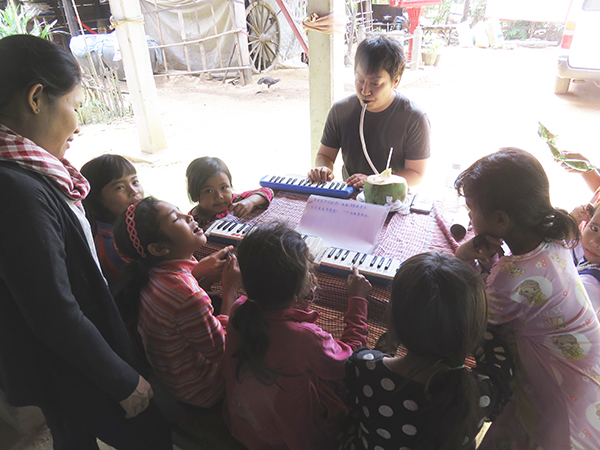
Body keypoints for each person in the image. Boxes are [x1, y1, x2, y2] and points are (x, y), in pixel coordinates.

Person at [0, 35, 172, 449]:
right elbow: (53, 309)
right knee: (146, 431)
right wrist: (122, 379)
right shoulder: (17, 190)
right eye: (75, 106)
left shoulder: (27, 172)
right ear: (37, 98)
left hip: (57, 358)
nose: (77, 123)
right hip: (69, 363)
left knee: (70, 434)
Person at [455, 148, 600, 449]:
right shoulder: (556, 235)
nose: (468, 215)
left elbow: (473, 315)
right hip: (585, 367)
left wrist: (460, 259)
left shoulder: (511, 277)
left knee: (539, 434)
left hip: (557, 389)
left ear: (500, 219)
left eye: (471, 209)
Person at [340, 252, 514, 450]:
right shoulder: (484, 391)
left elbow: (374, 357)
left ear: (394, 318)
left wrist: (397, 331)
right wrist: (461, 322)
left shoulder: (365, 366)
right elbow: (497, 356)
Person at [223, 223, 372, 450]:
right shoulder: (305, 338)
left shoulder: (239, 309)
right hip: (286, 442)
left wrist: (299, 294)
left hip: (244, 428)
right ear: (298, 284)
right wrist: (358, 301)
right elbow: (351, 361)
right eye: (308, 267)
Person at [113, 197, 242, 408]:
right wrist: (230, 291)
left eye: (180, 211)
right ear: (159, 248)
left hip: (174, 377)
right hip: (202, 388)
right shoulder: (188, 295)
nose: (188, 216)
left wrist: (196, 271)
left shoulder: (152, 272)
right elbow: (221, 350)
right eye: (176, 219)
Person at [308, 34, 430, 189]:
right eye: (359, 80)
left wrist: (376, 181)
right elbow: (325, 155)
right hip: (351, 195)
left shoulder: (414, 118)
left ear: (396, 81)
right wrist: (323, 169)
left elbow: (416, 173)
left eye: (375, 83)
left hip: (391, 198)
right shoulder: (341, 110)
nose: (364, 91)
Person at [81, 154, 144, 294]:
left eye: (135, 182)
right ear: (98, 199)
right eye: (120, 187)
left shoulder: (132, 224)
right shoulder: (111, 246)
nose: (133, 191)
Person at [186, 156, 273, 228]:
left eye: (223, 187)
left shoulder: (235, 201)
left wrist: (250, 201)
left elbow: (267, 191)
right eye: (209, 191)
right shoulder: (190, 223)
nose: (219, 196)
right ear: (194, 196)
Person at [571, 203, 600, 317]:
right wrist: (573, 221)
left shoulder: (593, 285)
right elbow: (569, 247)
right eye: (594, 228)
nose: (596, 242)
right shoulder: (593, 256)